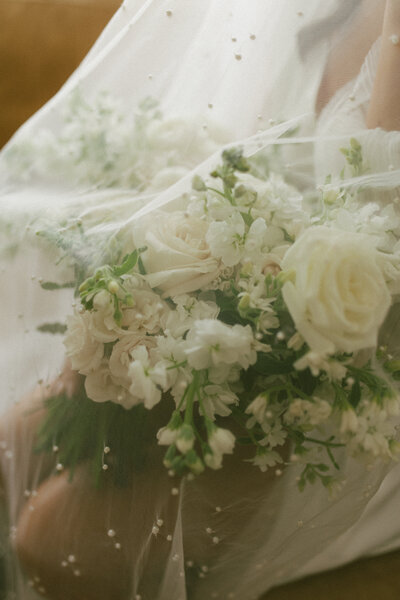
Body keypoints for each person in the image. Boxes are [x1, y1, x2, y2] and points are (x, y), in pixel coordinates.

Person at [2, 2, 400, 599]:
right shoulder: (312, 13)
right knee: (16, 441)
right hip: (245, 322)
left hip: (346, 372)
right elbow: (237, 163)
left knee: (54, 541)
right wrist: (153, 293)